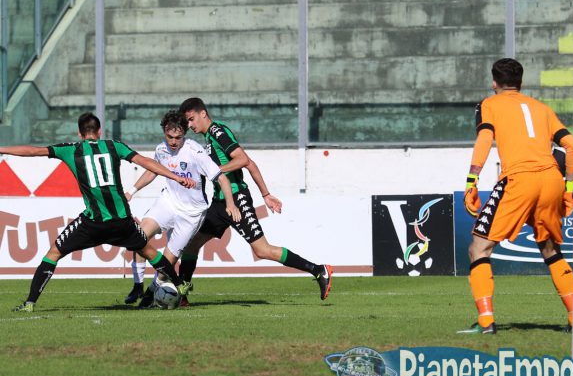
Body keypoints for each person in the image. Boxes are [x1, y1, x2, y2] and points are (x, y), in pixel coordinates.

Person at [1, 112, 196, 312]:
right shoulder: (114, 146)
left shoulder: (71, 150)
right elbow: (146, 162)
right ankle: (179, 283)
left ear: (79, 133)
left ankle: (30, 303)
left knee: (53, 253)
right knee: (149, 252)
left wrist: (2, 149)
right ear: (100, 131)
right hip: (122, 221)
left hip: (93, 223)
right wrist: (176, 177)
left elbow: (32, 151)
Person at [459, 58, 573, 334]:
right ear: (521, 83)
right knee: (550, 249)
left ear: (494, 82)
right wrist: (569, 189)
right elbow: (571, 145)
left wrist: (472, 180)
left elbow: (485, 139)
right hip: (551, 179)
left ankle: (486, 322)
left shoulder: (489, 104)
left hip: (519, 179)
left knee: (479, 248)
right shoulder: (542, 108)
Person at [177, 97, 332, 301]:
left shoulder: (217, 132)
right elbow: (250, 164)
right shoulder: (208, 138)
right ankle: (182, 295)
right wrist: (266, 194)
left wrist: (215, 171)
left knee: (262, 250)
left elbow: (242, 159)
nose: (190, 125)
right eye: (187, 121)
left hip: (237, 199)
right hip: (220, 203)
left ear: (203, 113)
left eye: (191, 119)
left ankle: (319, 270)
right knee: (191, 245)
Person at [123, 110, 240, 306]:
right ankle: (137, 285)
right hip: (168, 202)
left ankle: (151, 293)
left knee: (167, 263)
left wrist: (230, 203)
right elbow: (152, 171)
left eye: (178, 137)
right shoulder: (161, 149)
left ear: (184, 134)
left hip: (191, 214)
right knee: (139, 236)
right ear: (164, 131)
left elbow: (221, 178)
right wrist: (131, 191)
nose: (173, 141)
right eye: (170, 136)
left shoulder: (195, 152)